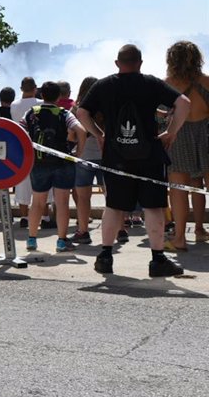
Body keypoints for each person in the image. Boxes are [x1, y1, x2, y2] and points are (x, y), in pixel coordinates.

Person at [76, 44, 190, 277]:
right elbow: (184, 103)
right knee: (153, 206)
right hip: (149, 156)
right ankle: (157, 260)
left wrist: (99, 135)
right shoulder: (151, 83)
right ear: (140, 62)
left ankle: (105, 256)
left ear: (117, 63)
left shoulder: (104, 85)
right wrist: (171, 132)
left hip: (116, 155)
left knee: (114, 206)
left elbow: (82, 112)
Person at [21, 81, 86, 253]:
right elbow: (81, 131)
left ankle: (32, 240)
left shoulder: (31, 113)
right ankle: (61, 241)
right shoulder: (64, 113)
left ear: (41, 96)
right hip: (63, 162)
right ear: (59, 97)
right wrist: (78, 154)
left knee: (37, 203)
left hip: (39, 163)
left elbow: (19, 132)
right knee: (62, 203)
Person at [164, 41, 209, 249]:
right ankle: (200, 230)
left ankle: (179, 239)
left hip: (178, 135)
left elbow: (160, 111)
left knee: (178, 189)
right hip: (207, 133)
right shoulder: (207, 82)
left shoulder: (167, 84)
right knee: (199, 185)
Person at [71, 76, 102, 244]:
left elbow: (70, 134)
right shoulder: (105, 106)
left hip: (83, 157)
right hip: (106, 156)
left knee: (83, 197)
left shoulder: (76, 109)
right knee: (111, 195)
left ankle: (83, 231)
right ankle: (120, 229)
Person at [10, 77, 42, 227]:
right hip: (39, 145)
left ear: (21, 88)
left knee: (23, 183)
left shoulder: (14, 105)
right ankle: (45, 216)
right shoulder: (41, 104)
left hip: (20, 146)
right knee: (42, 181)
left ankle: (24, 216)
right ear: (35, 88)